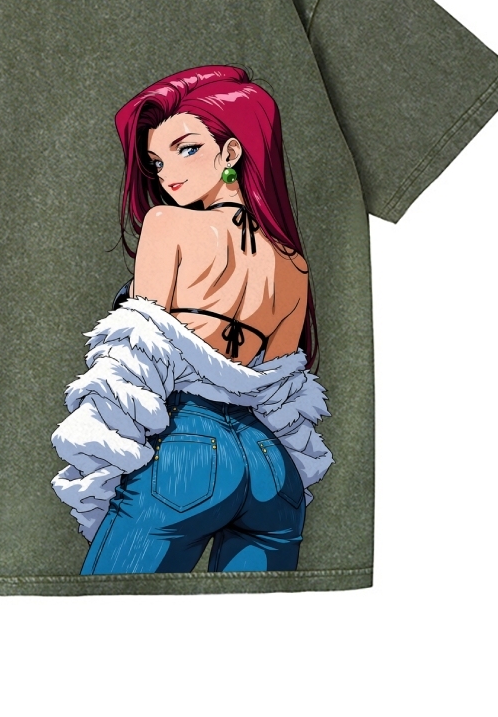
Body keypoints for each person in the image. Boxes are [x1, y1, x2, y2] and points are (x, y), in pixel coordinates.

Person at [51, 65, 333, 574]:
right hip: (271, 467)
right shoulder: (294, 264)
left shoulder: (167, 224)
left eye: (186, 149)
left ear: (231, 152)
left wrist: (101, 476)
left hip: (187, 451)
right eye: (156, 161)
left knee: (110, 612)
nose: (166, 174)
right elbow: (283, 392)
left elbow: (138, 362)